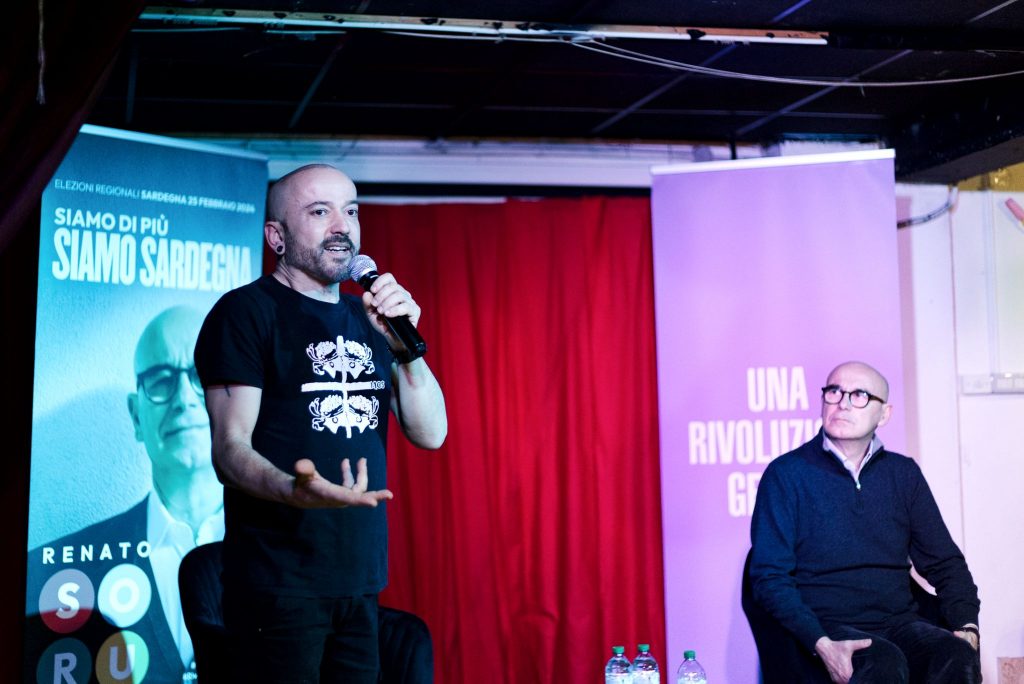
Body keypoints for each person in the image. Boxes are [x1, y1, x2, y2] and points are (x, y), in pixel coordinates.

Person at [194, 163, 447, 683]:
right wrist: (294, 490)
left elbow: (431, 434)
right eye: (319, 211)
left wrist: (407, 350)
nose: (342, 226)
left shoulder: (371, 319)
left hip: (359, 579)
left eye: (351, 211)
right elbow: (230, 449)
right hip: (275, 584)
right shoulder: (245, 313)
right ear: (276, 237)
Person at [749, 361, 981, 684]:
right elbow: (769, 577)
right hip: (824, 626)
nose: (843, 403)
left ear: (884, 414)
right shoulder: (786, 474)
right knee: (883, 663)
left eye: (859, 395)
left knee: (956, 655)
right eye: (834, 392)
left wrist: (967, 624)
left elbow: (945, 562)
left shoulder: (903, 474)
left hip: (899, 623)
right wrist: (820, 642)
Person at [26, 305, 224, 683]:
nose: (184, 397)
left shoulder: (294, 552)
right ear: (136, 417)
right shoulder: (48, 574)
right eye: (161, 380)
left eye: (202, 375)